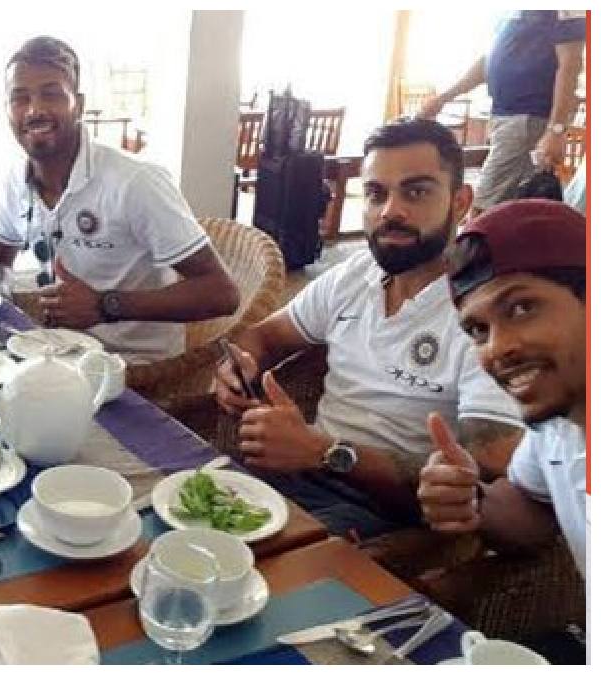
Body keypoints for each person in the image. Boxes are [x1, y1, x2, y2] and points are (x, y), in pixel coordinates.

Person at [213, 118, 524, 539]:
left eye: (416, 192)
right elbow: (265, 335)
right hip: (294, 474)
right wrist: (240, 367)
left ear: (460, 201)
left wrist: (325, 452)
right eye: (376, 194)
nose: (391, 211)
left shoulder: (485, 315)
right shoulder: (355, 274)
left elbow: (482, 473)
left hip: (383, 514)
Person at [0, 36, 239, 365]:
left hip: (129, 368)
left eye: (51, 94)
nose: (34, 110)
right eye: (20, 98)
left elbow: (222, 293)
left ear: (79, 104)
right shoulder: (16, 181)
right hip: (50, 355)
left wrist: (106, 305)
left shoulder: (134, 182)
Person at [419, 199, 586, 577]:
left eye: (522, 308)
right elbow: (534, 514)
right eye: (479, 329)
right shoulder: (555, 425)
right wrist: (472, 496)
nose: (497, 348)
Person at [420, 11, 585, 213]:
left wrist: (556, 130)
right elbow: (488, 62)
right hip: (505, 116)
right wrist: (444, 98)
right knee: (506, 202)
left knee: (484, 204)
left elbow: (570, 65)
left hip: (526, 119)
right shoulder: (509, 15)